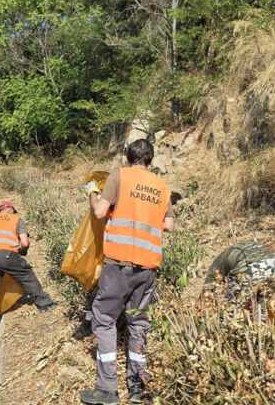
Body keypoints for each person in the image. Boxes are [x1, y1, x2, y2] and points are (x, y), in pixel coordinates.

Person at [80, 139, 174, 405]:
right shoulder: (162, 186)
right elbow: (168, 224)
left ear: (128, 156)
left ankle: (107, 389)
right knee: (138, 323)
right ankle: (137, 387)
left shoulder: (119, 176)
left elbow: (99, 212)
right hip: (148, 268)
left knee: (105, 319)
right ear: (150, 160)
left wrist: (92, 192)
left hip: (120, 264)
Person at [0, 200, 57, 340]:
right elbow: (25, 242)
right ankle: (45, 304)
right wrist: (21, 250)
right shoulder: (16, 219)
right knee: (27, 275)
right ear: (11, 210)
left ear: (0, 211)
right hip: (6, 254)